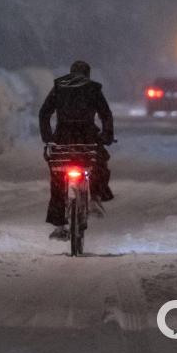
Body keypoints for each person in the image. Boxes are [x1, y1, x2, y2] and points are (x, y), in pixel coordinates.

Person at [38, 60, 114, 240]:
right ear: (88, 74)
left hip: (63, 137)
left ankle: (59, 223)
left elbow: (44, 113)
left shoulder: (59, 87)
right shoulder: (93, 89)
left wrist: (48, 138)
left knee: (58, 175)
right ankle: (95, 197)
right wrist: (107, 136)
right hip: (87, 135)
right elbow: (105, 114)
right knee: (98, 161)